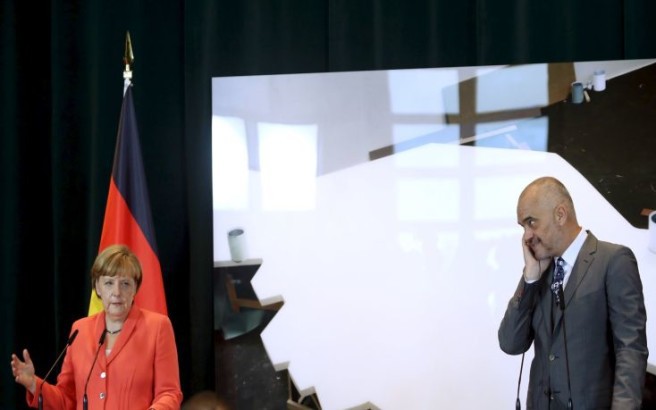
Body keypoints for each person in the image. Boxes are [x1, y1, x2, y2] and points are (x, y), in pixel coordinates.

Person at [498, 176, 648, 409]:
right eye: (523, 226)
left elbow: (630, 349)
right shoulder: (539, 271)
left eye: (531, 222)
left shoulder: (613, 260)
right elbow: (510, 343)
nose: (527, 235)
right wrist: (530, 278)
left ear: (560, 214)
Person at [10, 244, 183, 409]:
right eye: (109, 283)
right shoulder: (80, 330)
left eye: (125, 283)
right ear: (97, 288)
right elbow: (66, 399)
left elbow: (169, 393)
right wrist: (33, 383)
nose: (117, 292)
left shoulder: (157, 327)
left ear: (135, 288)